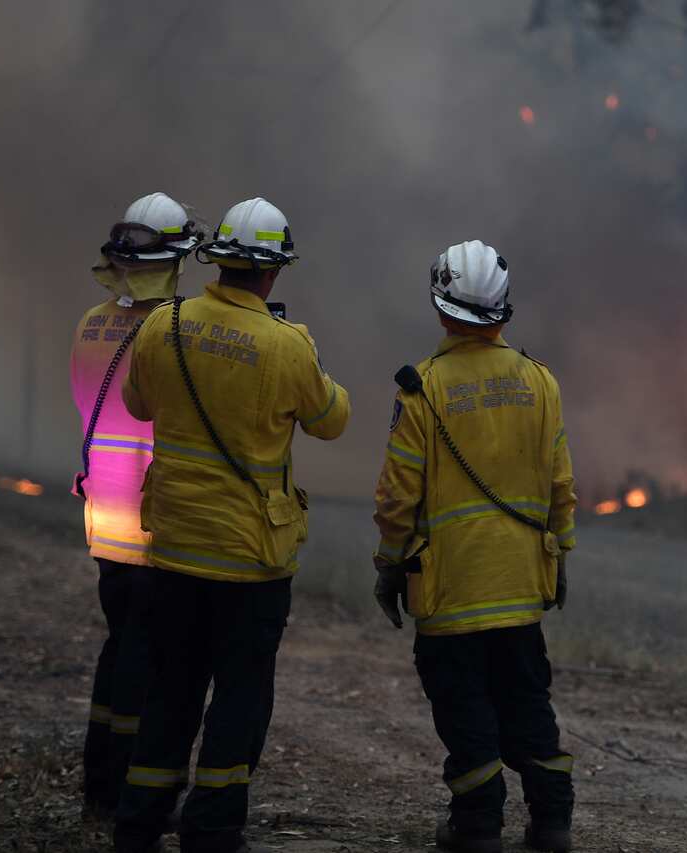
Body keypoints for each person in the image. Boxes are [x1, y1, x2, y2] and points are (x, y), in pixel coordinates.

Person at [113, 197, 350, 853]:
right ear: (273, 274)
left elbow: (136, 402)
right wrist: (309, 354)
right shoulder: (286, 346)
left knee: (168, 692)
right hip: (250, 562)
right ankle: (212, 828)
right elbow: (334, 419)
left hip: (175, 549)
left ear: (218, 260)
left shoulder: (165, 324)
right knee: (239, 699)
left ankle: (137, 824)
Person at [372, 240, 578, 853]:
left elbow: (397, 498)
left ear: (441, 309)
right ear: (502, 310)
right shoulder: (541, 382)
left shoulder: (422, 389)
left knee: (465, 711)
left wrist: (389, 567)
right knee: (527, 702)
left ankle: (477, 827)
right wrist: (559, 554)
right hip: (520, 588)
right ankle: (553, 824)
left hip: (450, 590)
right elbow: (560, 486)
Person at [71, 191, 200, 819]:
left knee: (118, 645)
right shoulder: (173, 331)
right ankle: (132, 791)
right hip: (155, 524)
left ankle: (99, 782)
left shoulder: (91, 323)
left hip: (104, 520)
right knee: (152, 663)